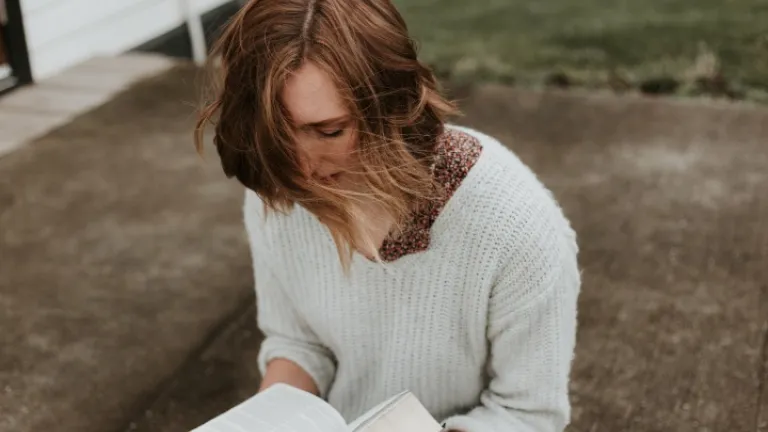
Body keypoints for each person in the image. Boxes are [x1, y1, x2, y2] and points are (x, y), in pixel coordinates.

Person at [195, 0, 581, 430]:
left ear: (392, 104)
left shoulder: (515, 224)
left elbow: (528, 415)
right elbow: (299, 342)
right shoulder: (279, 188)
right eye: (278, 138)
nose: (303, 169)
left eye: (329, 131)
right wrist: (265, 421)